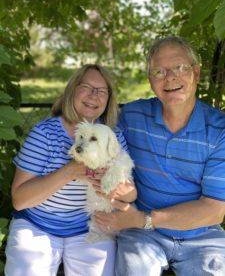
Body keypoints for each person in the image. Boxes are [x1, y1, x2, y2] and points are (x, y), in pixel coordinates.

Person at [94, 37, 225, 275]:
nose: (170, 77)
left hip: (202, 234)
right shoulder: (132, 117)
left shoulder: (219, 130)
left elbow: (214, 210)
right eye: (159, 71)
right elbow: (92, 131)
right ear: (150, 81)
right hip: (142, 236)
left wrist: (143, 219)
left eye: (179, 68)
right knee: (136, 268)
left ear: (196, 72)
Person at [5, 64, 137, 276]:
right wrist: (71, 171)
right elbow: (20, 200)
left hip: (90, 227)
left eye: (102, 91)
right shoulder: (45, 133)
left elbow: (131, 194)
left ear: (108, 100)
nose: (94, 95)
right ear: (72, 90)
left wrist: (117, 189)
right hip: (37, 226)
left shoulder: (112, 137)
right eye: (86, 87)